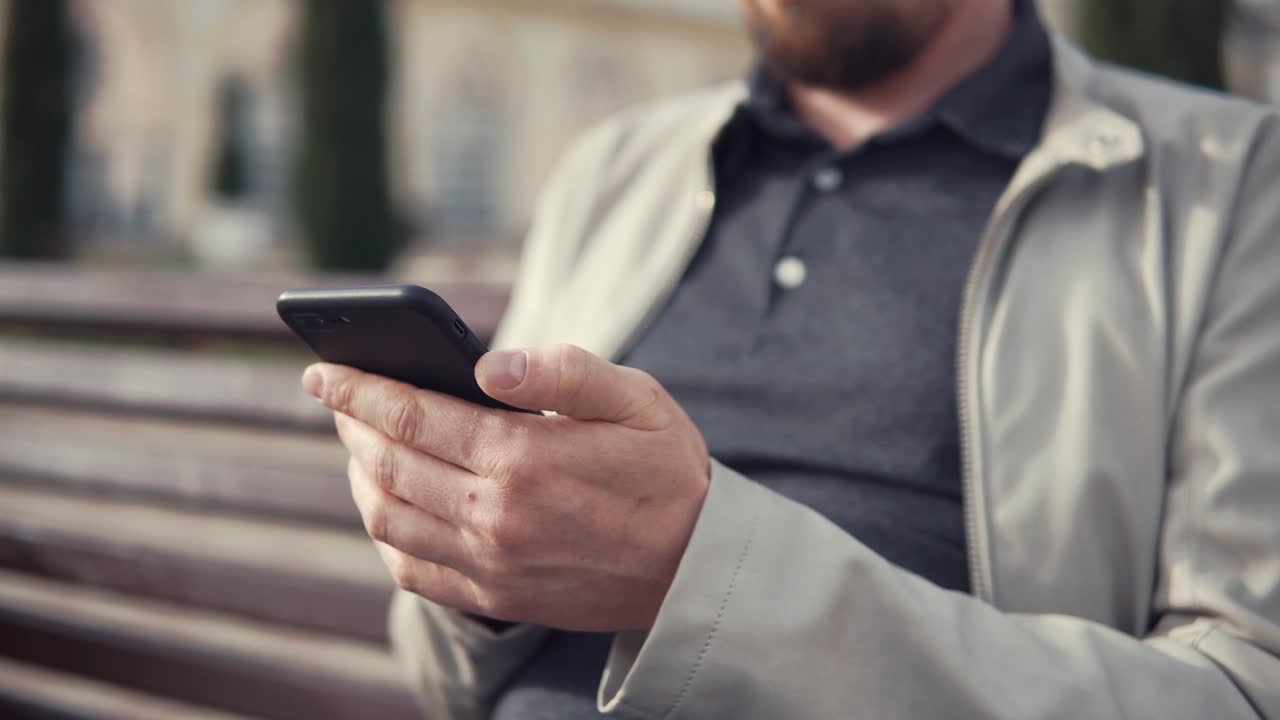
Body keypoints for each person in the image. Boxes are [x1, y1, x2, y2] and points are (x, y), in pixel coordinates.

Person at [301, 0, 1280, 717]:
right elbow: (442, 678)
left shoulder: (1233, 185)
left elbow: (1241, 693)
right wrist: (482, 557)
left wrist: (694, 574)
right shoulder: (613, 170)